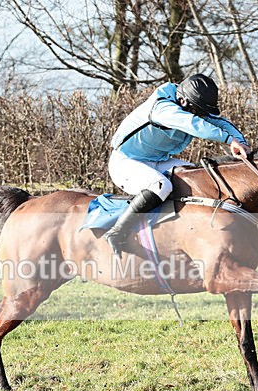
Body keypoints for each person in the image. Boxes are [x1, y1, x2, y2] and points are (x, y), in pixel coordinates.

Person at [103, 73, 250, 256]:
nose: (202, 116)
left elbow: (220, 122)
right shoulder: (162, 109)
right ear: (182, 101)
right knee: (160, 185)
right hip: (125, 163)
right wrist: (228, 139)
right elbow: (193, 123)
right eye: (198, 111)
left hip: (157, 160)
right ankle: (117, 231)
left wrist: (240, 142)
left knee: (197, 177)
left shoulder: (188, 102)